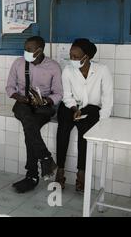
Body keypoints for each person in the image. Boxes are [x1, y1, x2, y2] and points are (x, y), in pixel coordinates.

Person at [6, 36, 63, 193]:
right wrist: (20, 97)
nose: (26, 52)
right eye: (25, 49)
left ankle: (32, 175)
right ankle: (45, 158)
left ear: (40, 50)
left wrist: (44, 101)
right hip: (22, 104)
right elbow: (9, 88)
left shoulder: (54, 67)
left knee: (30, 127)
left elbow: (58, 94)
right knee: (28, 120)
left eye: (30, 50)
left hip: (42, 108)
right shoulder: (18, 63)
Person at [55, 39, 113, 192]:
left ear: (86, 57)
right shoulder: (68, 70)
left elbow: (107, 98)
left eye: (76, 56)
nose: (72, 59)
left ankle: (81, 173)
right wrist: (75, 109)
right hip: (71, 106)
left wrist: (103, 120)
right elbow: (67, 95)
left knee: (85, 134)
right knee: (62, 130)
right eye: (70, 55)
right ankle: (60, 171)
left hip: (91, 109)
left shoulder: (102, 70)